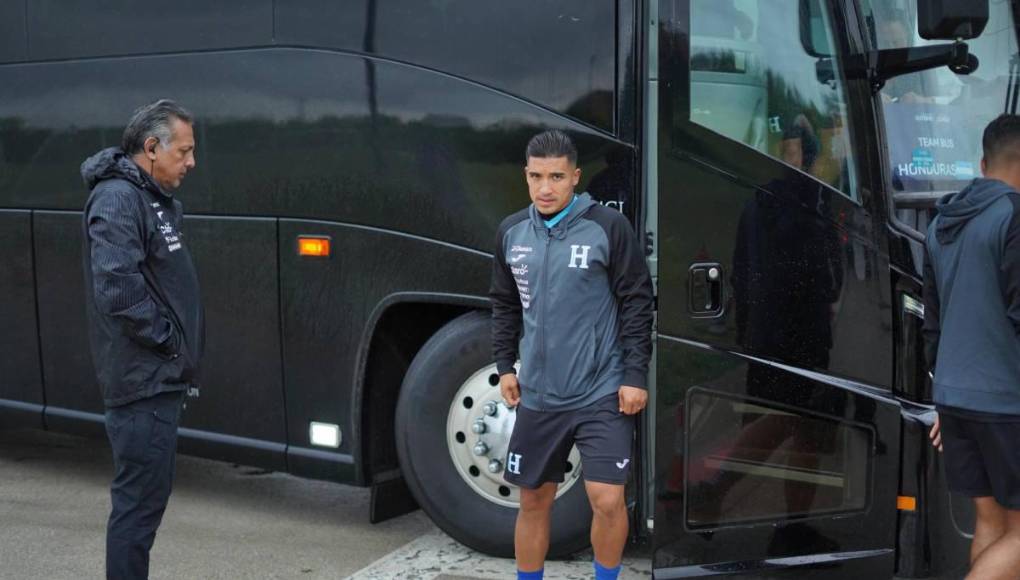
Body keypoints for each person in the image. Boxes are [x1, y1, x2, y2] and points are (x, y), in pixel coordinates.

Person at [490, 130, 654, 580]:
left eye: (557, 177)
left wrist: (634, 374)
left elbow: (637, 301)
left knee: (607, 499)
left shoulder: (607, 227)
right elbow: (504, 304)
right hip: (539, 394)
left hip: (600, 388)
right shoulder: (511, 233)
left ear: (575, 177)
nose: (546, 188)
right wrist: (505, 366)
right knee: (533, 499)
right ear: (526, 176)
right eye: (537, 177)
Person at [81, 99, 203, 580]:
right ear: (152, 148)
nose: (191, 162)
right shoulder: (118, 198)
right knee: (137, 510)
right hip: (142, 385)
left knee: (145, 505)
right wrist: (169, 343)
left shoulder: (149, 196)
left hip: (158, 380)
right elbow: (117, 287)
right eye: (184, 151)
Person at [923, 113, 1020, 578]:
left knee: (991, 522)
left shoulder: (940, 223)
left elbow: (934, 326)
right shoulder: (1014, 217)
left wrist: (949, 398)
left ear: (983, 164)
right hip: (1007, 402)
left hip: (954, 399)